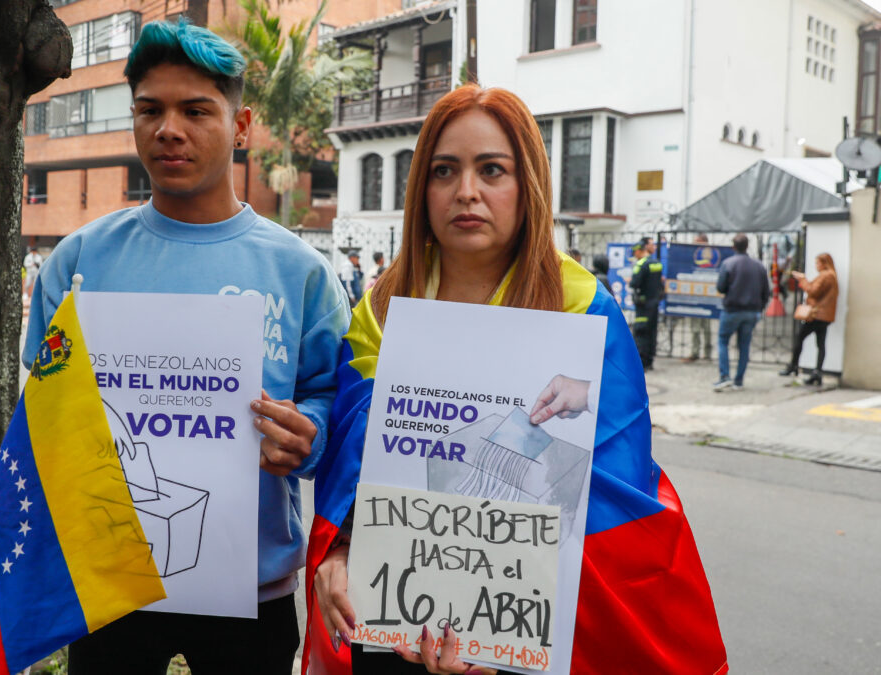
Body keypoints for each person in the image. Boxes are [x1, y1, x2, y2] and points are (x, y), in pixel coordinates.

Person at [304, 85, 726, 675]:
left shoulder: (583, 309)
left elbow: (613, 492)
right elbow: (355, 472)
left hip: (531, 631)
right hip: (394, 627)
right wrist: (341, 552)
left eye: (492, 170)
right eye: (444, 170)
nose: (466, 191)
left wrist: (495, 631)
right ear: (420, 189)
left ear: (527, 186)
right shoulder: (379, 310)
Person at [22, 19, 349, 674]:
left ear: (243, 125)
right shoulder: (81, 260)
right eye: (151, 109)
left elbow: (336, 403)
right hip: (113, 581)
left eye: (196, 110)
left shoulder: (300, 271)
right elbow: (44, 400)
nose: (169, 128)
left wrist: (306, 430)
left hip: (253, 582)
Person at [713, 233, 769, 390]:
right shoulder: (758, 265)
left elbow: (721, 287)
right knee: (744, 345)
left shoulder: (729, 263)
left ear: (733, 247)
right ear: (747, 246)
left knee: (723, 341)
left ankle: (725, 376)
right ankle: (739, 380)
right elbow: (766, 291)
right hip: (752, 311)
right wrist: (760, 307)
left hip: (732, 309)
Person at [780, 253, 838, 385]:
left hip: (817, 315)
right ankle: (817, 372)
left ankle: (793, 366)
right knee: (820, 343)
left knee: (800, 338)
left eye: (818, 263)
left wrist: (802, 279)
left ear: (824, 263)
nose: (816, 266)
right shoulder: (830, 275)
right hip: (824, 315)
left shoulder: (826, 275)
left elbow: (813, 291)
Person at [629, 236, 662, 371]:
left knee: (641, 332)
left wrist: (629, 281)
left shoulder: (641, 264)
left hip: (643, 305)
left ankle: (641, 363)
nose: (634, 255)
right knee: (652, 332)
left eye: (634, 252)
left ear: (638, 251)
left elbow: (634, 283)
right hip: (654, 303)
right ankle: (650, 360)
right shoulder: (657, 263)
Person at [684, 233, 713, 362]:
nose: (694, 244)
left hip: (707, 298)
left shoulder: (710, 257)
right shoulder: (692, 256)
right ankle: (695, 352)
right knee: (694, 328)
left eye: (698, 242)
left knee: (707, 328)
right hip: (694, 298)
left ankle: (707, 353)